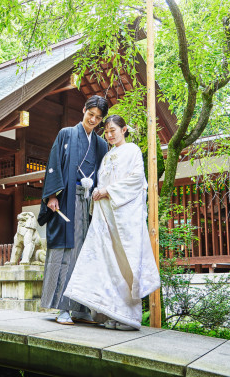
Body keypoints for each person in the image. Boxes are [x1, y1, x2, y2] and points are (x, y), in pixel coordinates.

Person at [63, 114, 160, 330]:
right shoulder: (107, 156)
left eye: (113, 130)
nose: (109, 135)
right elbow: (103, 181)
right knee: (107, 263)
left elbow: (136, 179)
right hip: (106, 215)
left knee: (126, 262)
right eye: (106, 131)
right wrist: (96, 190)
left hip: (125, 217)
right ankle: (112, 312)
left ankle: (130, 317)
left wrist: (107, 190)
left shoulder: (133, 150)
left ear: (124, 129)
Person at [37, 95, 108, 325]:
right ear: (84, 110)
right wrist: (51, 196)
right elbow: (53, 164)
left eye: (98, 118)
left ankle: (80, 307)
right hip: (66, 201)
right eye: (91, 114)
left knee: (86, 254)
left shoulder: (101, 144)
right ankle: (63, 308)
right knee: (65, 253)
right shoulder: (66, 134)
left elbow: (104, 173)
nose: (93, 120)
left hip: (90, 204)